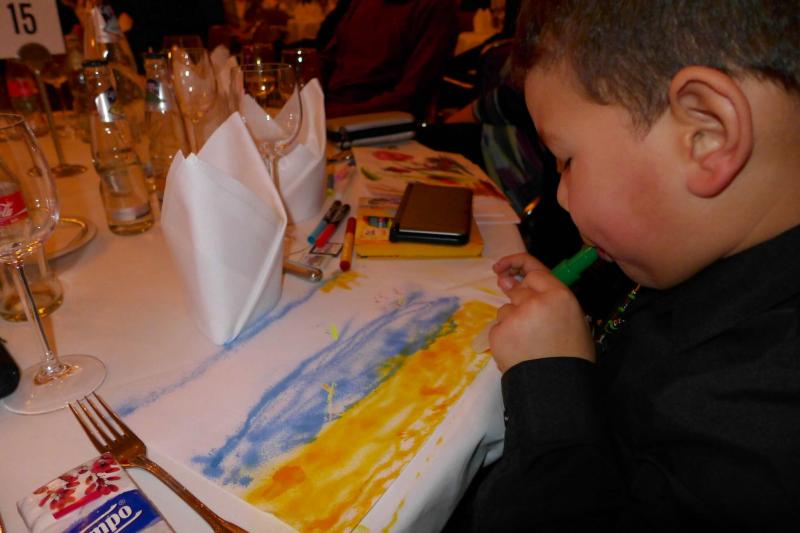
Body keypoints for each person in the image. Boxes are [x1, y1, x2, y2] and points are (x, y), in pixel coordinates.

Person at [454, 0, 800, 530]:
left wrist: (550, 381)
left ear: (706, 135)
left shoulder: (761, 421)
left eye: (567, 160)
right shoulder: (697, 248)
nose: (560, 195)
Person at [319, 0, 459, 119]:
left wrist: (330, 114)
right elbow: (328, 60)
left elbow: (409, 96)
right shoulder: (362, 3)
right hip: (331, 111)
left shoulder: (436, 7)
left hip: (378, 121)